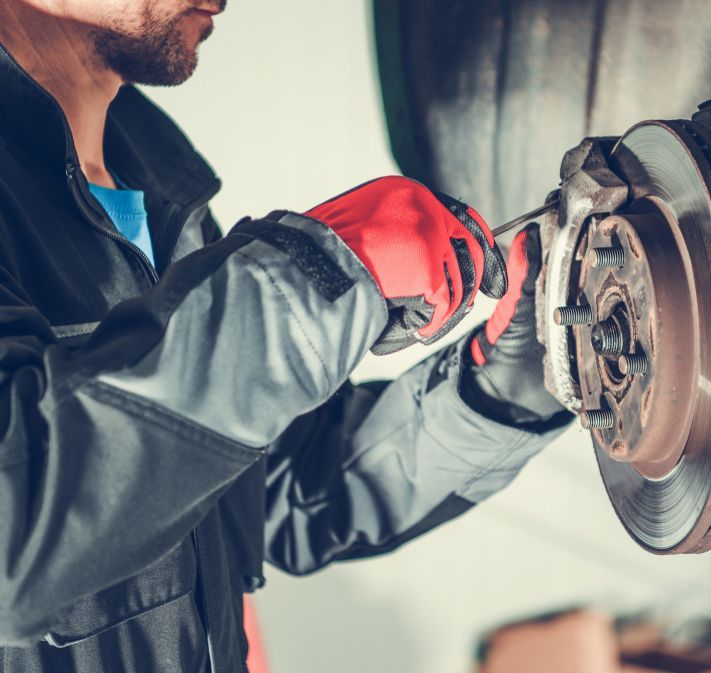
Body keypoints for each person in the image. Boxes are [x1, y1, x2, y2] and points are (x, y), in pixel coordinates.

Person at [0, 1, 569, 670]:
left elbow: (280, 487)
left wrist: (507, 385)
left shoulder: (158, 189)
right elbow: (18, 520)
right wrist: (309, 275)